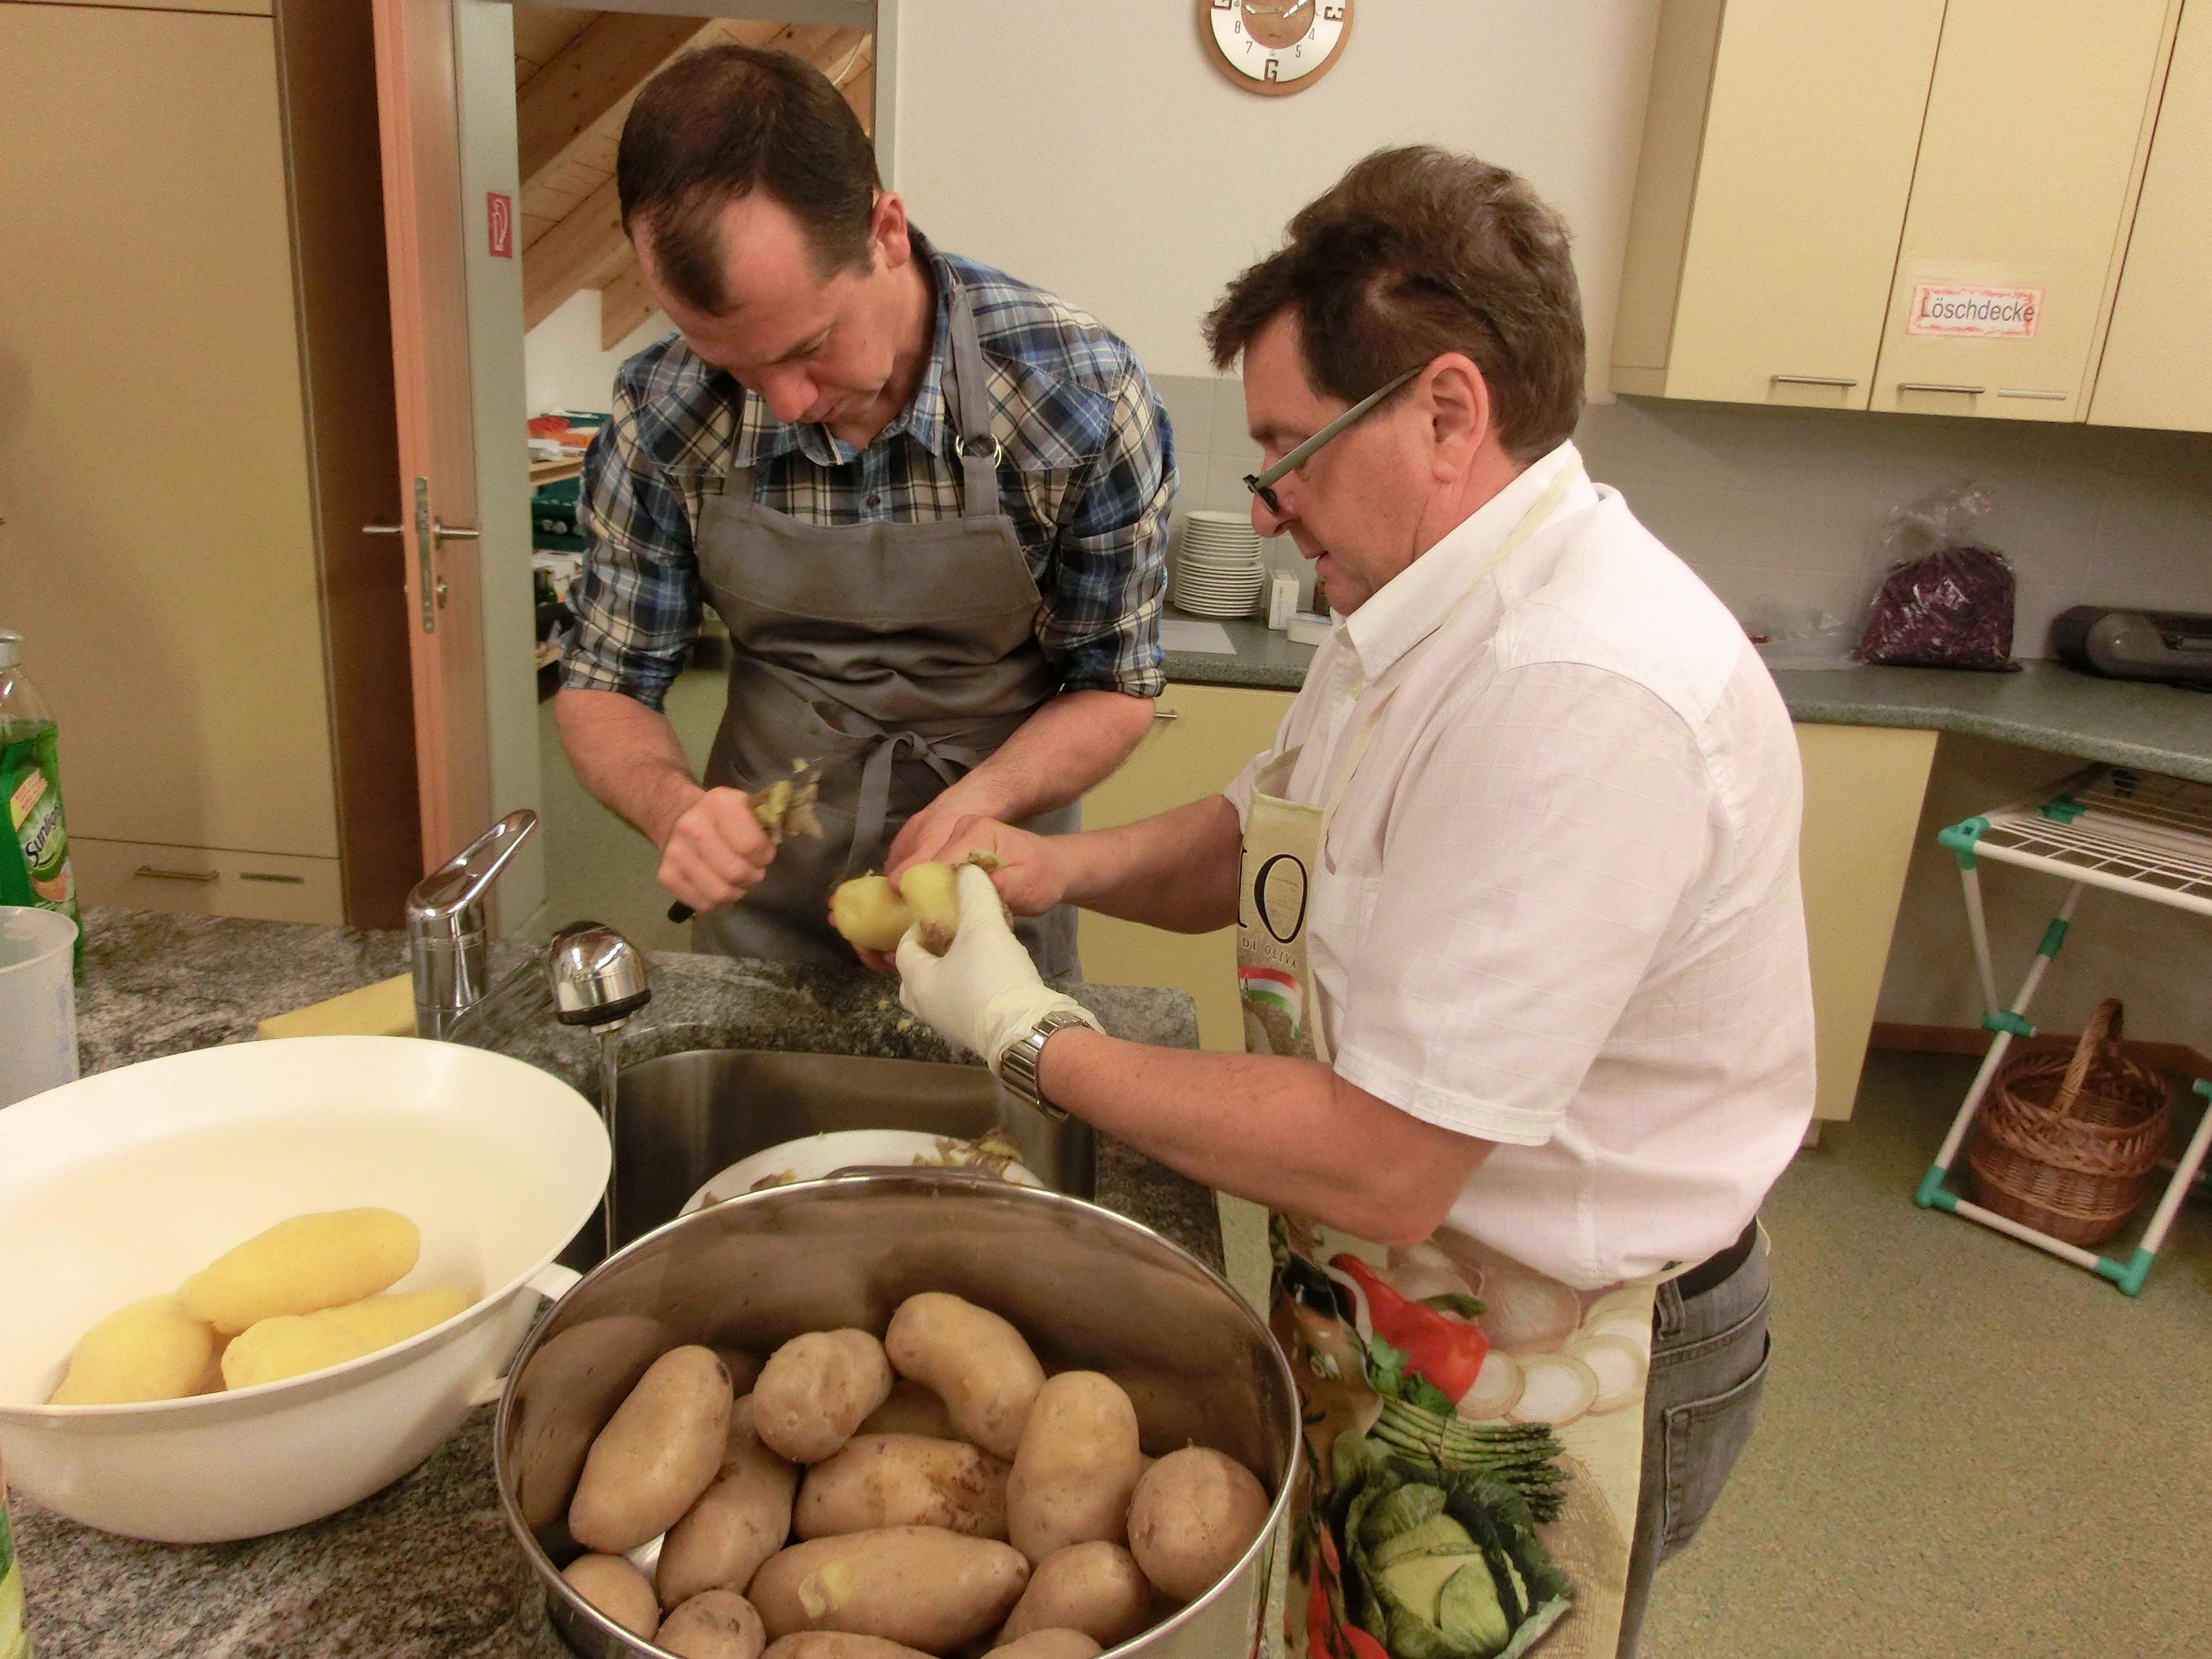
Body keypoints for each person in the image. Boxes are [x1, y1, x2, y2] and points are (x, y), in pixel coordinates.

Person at [890, 146, 1815, 1655]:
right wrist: (1065, 866)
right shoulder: (1418, 606)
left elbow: (1390, 1163)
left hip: (1555, 1343)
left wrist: (1028, 1035)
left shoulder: (1581, 688)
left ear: (1447, 411)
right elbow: (1278, 840)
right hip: (1391, 1305)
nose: (1266, 511)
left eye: (1287, 454)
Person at [557, 45, 1171, 971]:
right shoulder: (664, 408)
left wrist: (975, 809)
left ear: (886, 231)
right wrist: (675, 810)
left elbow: (1114, 684)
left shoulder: (1075, 394)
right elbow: (605, 682)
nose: (787, 404)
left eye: (811, 346)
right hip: (762, 914)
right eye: (736, 366)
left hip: (985, 897)